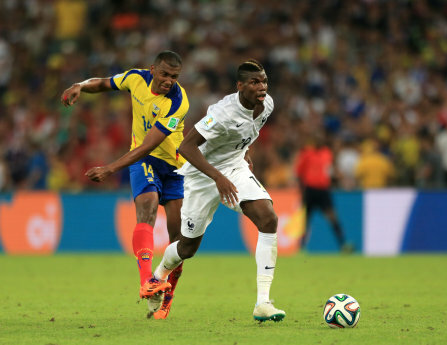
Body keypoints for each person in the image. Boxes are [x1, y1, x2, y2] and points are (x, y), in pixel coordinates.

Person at [144, 59, 285, 322]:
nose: (262, 87)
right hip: (201, 175)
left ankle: (263, 303)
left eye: (264, 81)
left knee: (268, 218)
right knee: (186, 249)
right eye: (255, 82)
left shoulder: (267, 105)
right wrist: (217, 177)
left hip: (234, 168)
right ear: (240, 86)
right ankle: (158, 277)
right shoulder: (223, 112)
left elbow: (245, 133)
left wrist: (243, 153)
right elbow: (186, 147)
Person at [61, 51, 189, 319]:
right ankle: (147, 280)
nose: (168, 81)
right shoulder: (135, 78)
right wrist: (81, 86)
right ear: (153, 69)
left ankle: (167, 297)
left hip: (175, 167)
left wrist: (110, 168)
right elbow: (103, 83)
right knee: (148, 207)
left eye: (174, 77)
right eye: (164, 74)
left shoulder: (178, 101)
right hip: (145, 160)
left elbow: (149, 143)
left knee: (179, 243)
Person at [295, 133, 353, 253]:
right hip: (310, 190)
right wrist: (301, 189)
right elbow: (299, 172)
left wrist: (342, 179)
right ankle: (301, 247)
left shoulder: (327, 153)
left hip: (323, 191)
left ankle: (343, 244)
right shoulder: (307, 154)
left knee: (332, 217)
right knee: (305, 220)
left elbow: (332, 169)